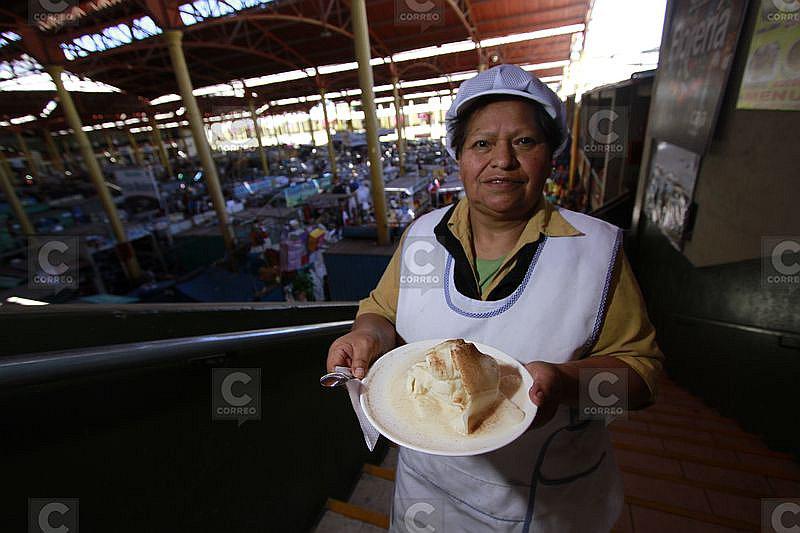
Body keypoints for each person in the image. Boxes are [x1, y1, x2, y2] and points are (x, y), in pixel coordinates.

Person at [326, 64, 663, 532]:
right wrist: (366, 334)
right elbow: (382, 313)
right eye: (481, 144)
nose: (501, 160)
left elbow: (641, 379)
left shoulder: (596, 251)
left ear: (550, 155)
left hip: (545, 504)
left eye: (524, 142)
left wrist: (563, 384)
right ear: (459, 156)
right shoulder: (423, 236)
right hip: (427, 495)